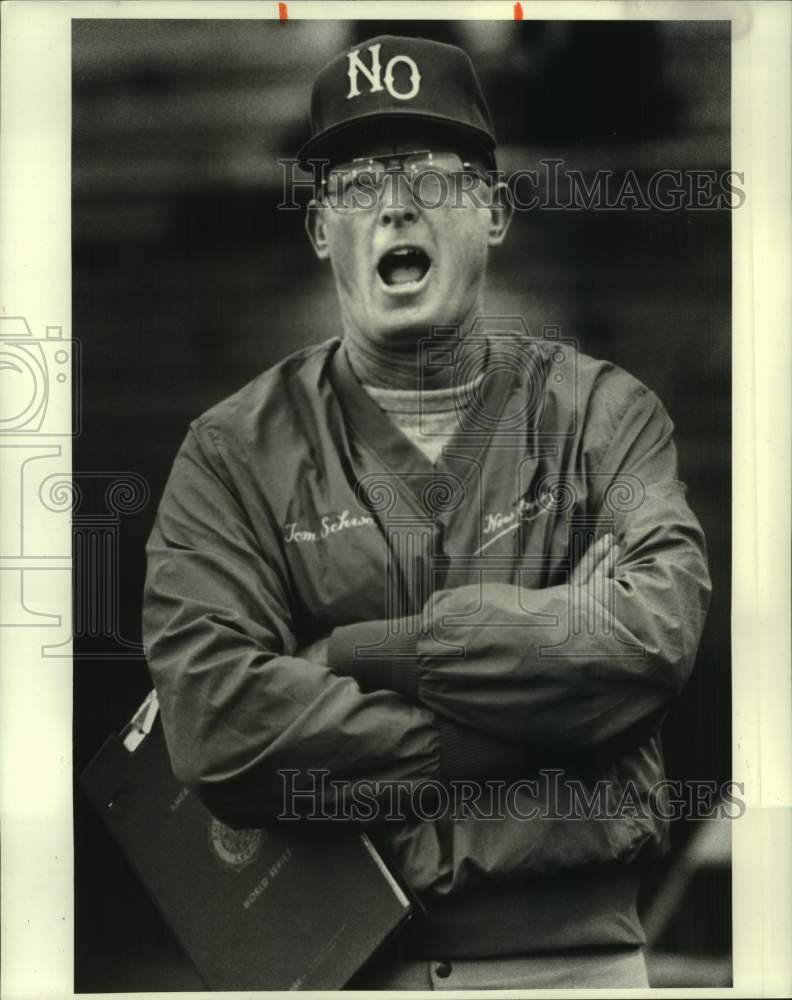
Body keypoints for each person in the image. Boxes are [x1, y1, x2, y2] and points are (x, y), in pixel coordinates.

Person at [143, 34, 711, 990]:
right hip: (346, 967)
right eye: (359, 183)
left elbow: (654, 630)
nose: (396, 205)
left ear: (491, 210)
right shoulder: (231, 451)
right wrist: (529, 724)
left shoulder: (604, 416)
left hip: (577, 969)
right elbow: (218, 723)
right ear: (321, 229)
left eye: (433, 178)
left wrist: (367, 653)